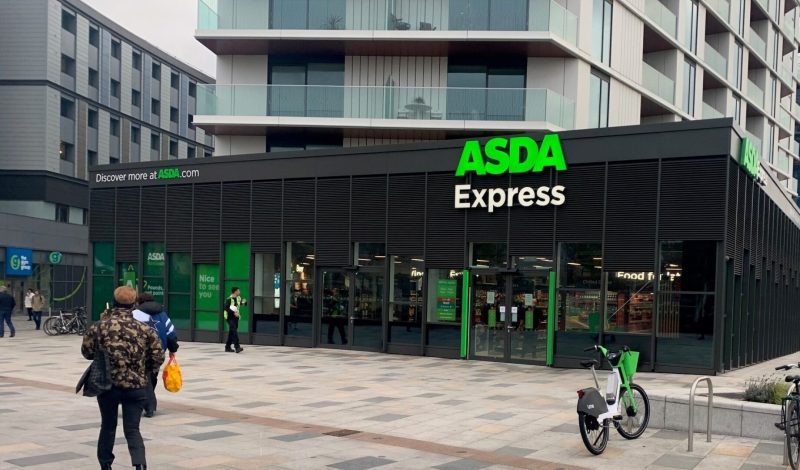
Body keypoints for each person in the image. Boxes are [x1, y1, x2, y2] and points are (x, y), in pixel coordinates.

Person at [81, 286, 164, 470]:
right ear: (134, 304)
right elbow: (158, 356)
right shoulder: (144, 328)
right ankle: (140, 464)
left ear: (114, 302)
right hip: (136, 386)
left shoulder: (99, 326)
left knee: (108, 426)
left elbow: (87, 352)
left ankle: (105, 465)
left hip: (107, 385)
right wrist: (143, 369)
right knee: (133, 429)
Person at [132, 293, 179, 417]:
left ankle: (148, 405)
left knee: (141, 378)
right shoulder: (163, 315)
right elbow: (171, 334)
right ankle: (148, 403)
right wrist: (173, 349)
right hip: (158, 352)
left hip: (138, 352)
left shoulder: (134, 314)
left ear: (139, 302)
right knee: (151, 376)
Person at [224, 287, 246, 353]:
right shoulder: (229, 299)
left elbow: (242, 303)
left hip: (236, 317)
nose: (239, 292)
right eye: (238, 291)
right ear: (235, 292)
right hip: (229, 317)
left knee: (232, 332)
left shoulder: (238, 298)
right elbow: (226, 308)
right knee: (234, 331)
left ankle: (227, 347)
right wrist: (234, 312)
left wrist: (244, 301)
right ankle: (237, 347)